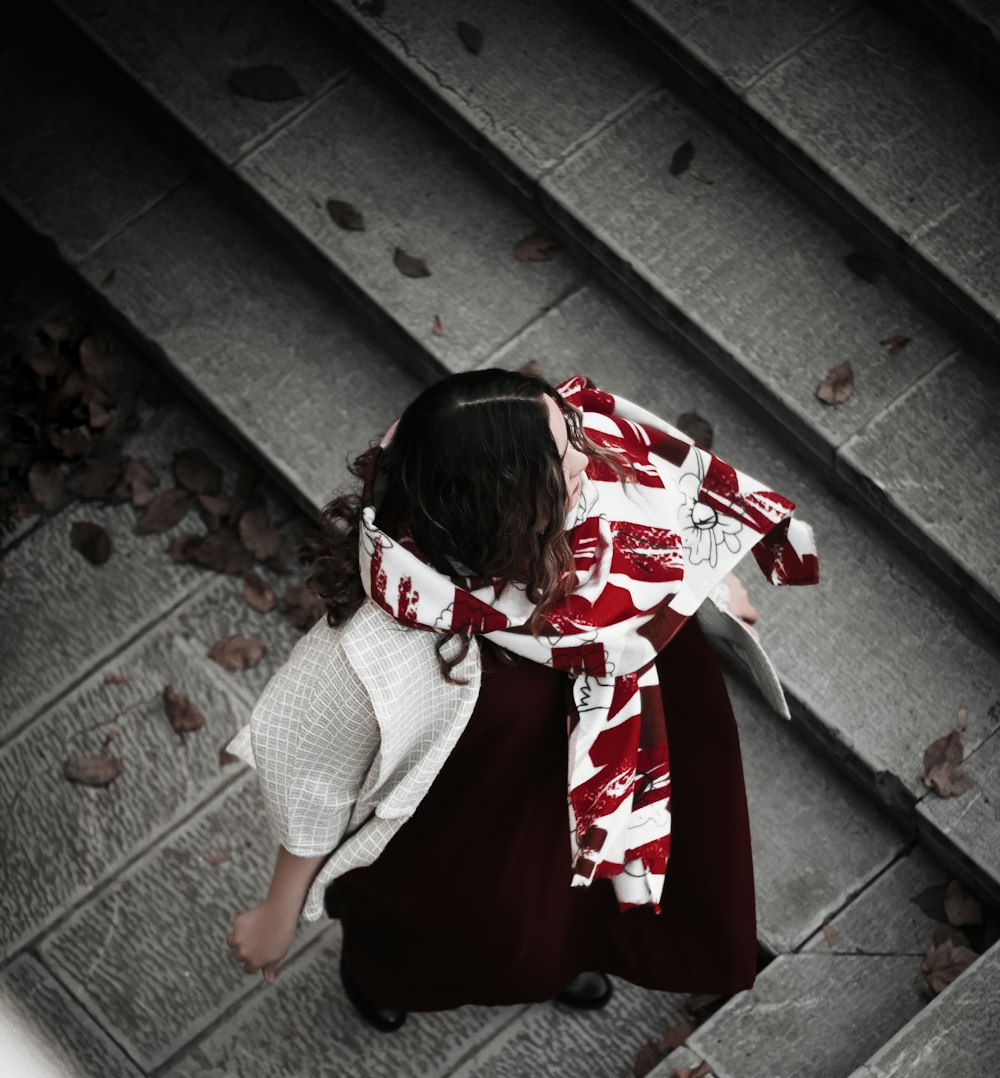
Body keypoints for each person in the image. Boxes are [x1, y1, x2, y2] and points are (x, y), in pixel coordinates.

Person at [224, 368, 818, 1030]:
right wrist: (278, 915)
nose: (588, 456)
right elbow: (313, 783)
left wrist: (709, 583)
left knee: (573, 916)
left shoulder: (567, 447)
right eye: (563, 464)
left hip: (603, 766)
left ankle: (567, 957)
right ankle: (382, 977)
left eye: (568, 431)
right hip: (477, 812)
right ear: (503, 511)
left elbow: (656, 498)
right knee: (468, 928)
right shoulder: (376, 647)